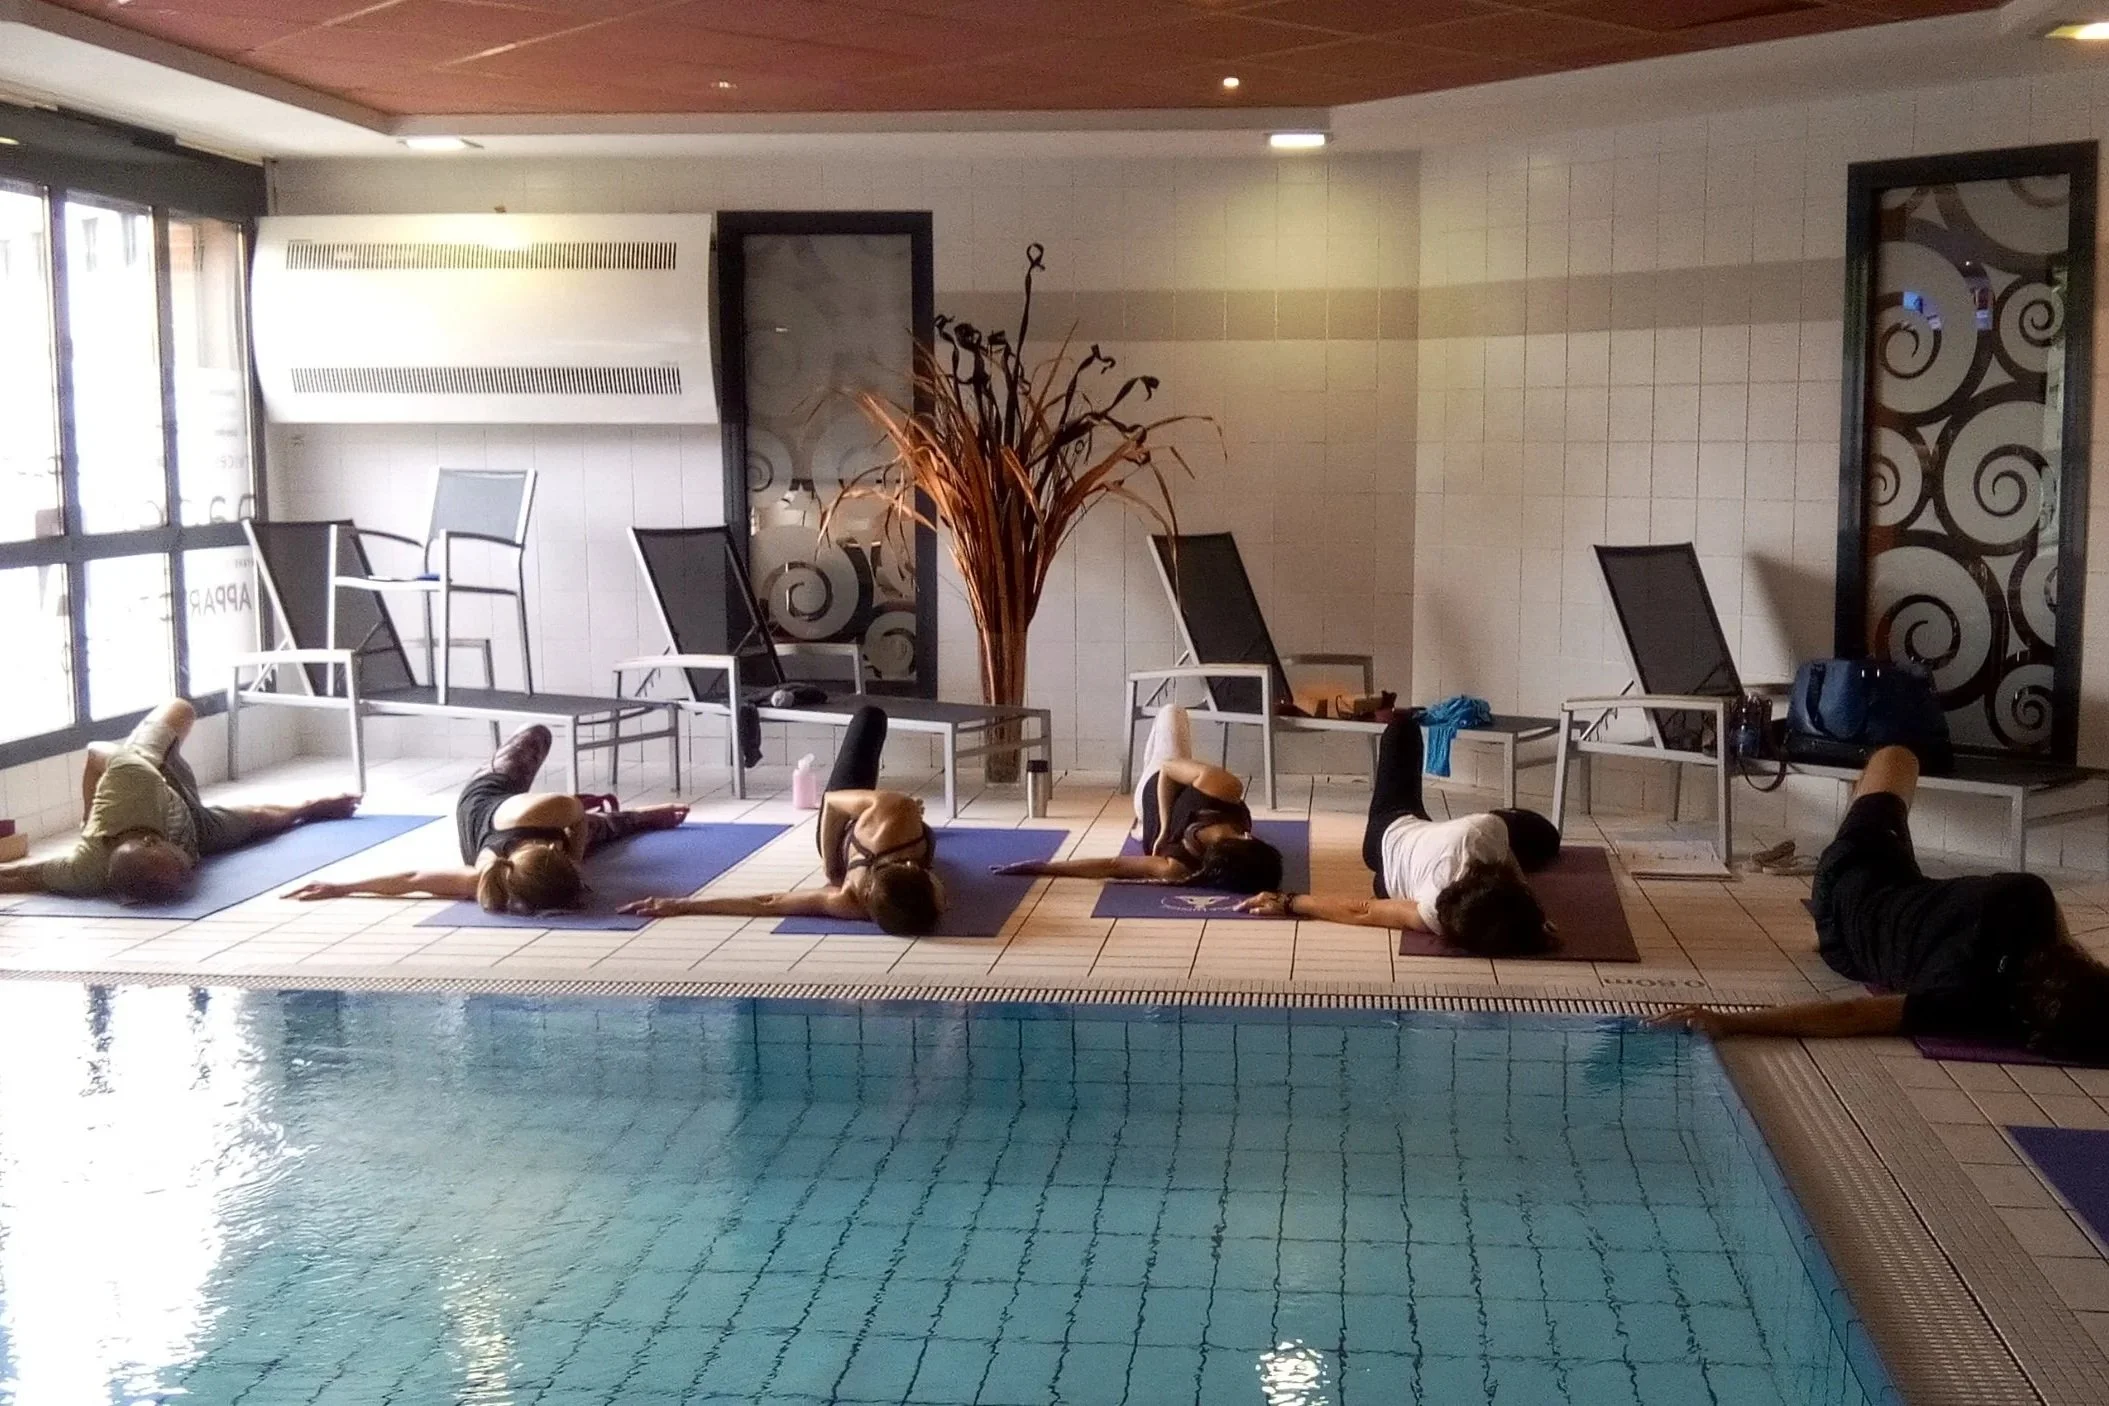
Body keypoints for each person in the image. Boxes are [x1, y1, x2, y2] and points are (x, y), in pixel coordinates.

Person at [1651, 746, 2109, 1061]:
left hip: (1858, 881)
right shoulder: (1967, 1005)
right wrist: (1727, 1023)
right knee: (1889, 792)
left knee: (1896, 756)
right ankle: (1823, 909)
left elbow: (1851, 1014)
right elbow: (1858, 1012)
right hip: (1865, 897)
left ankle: (1829, 885)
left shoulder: (2034, 897)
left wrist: (1734, 1022)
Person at [1236, 711, 1560, 955]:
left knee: (1545, 838)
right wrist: (1533, 913)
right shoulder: (1477, 841)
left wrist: (1291, 902)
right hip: (1393, 833)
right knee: (1402, 726)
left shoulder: (1472, 849)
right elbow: (1362, 912)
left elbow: (1366, 911)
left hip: (1391, 878)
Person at [285, 723, 686, 913]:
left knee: (544, 746)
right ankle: (642, 817)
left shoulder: (536, 816)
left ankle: (638, 817)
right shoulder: (495, 872)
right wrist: (338, 889)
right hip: (498, 813)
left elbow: (410, 881)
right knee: (606, 823)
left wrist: (340, 886)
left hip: (489, 803)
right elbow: (409, 883)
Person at [618, 706, 945, 936]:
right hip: (847, 822)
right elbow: (831, 803)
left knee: (870, 719)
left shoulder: (850, 901)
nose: (947, 898)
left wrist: (682, 906)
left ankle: (913, 824)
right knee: (873, 722)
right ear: (916, 869)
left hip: (842, 831)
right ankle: (918, 825)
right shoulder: (894, 814)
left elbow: (769, 902)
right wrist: (834, 864)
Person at [0, 698, 360, 905]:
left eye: (180, 865)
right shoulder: (88, 873)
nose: (193, 867)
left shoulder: (131, 779)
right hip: (195, 822)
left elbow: (94, 752)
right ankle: (313, 807)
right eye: (185, 874)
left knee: (181, 708)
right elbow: (21, 876)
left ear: (154, 841)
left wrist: (88, 811)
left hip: (149, 768)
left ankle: (309, 807)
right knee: (257, 821)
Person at [985, 704, 1283, 893]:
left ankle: (1142, 825)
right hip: (1165, 780)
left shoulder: (1178, 867)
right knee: (1172, 716)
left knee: (1170, 714)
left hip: (1146, 796)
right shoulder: (1225, 790)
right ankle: (1148, 823)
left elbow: (1112, 866)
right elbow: (1168, 770)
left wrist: (1043, 867)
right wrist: (1167, 826)